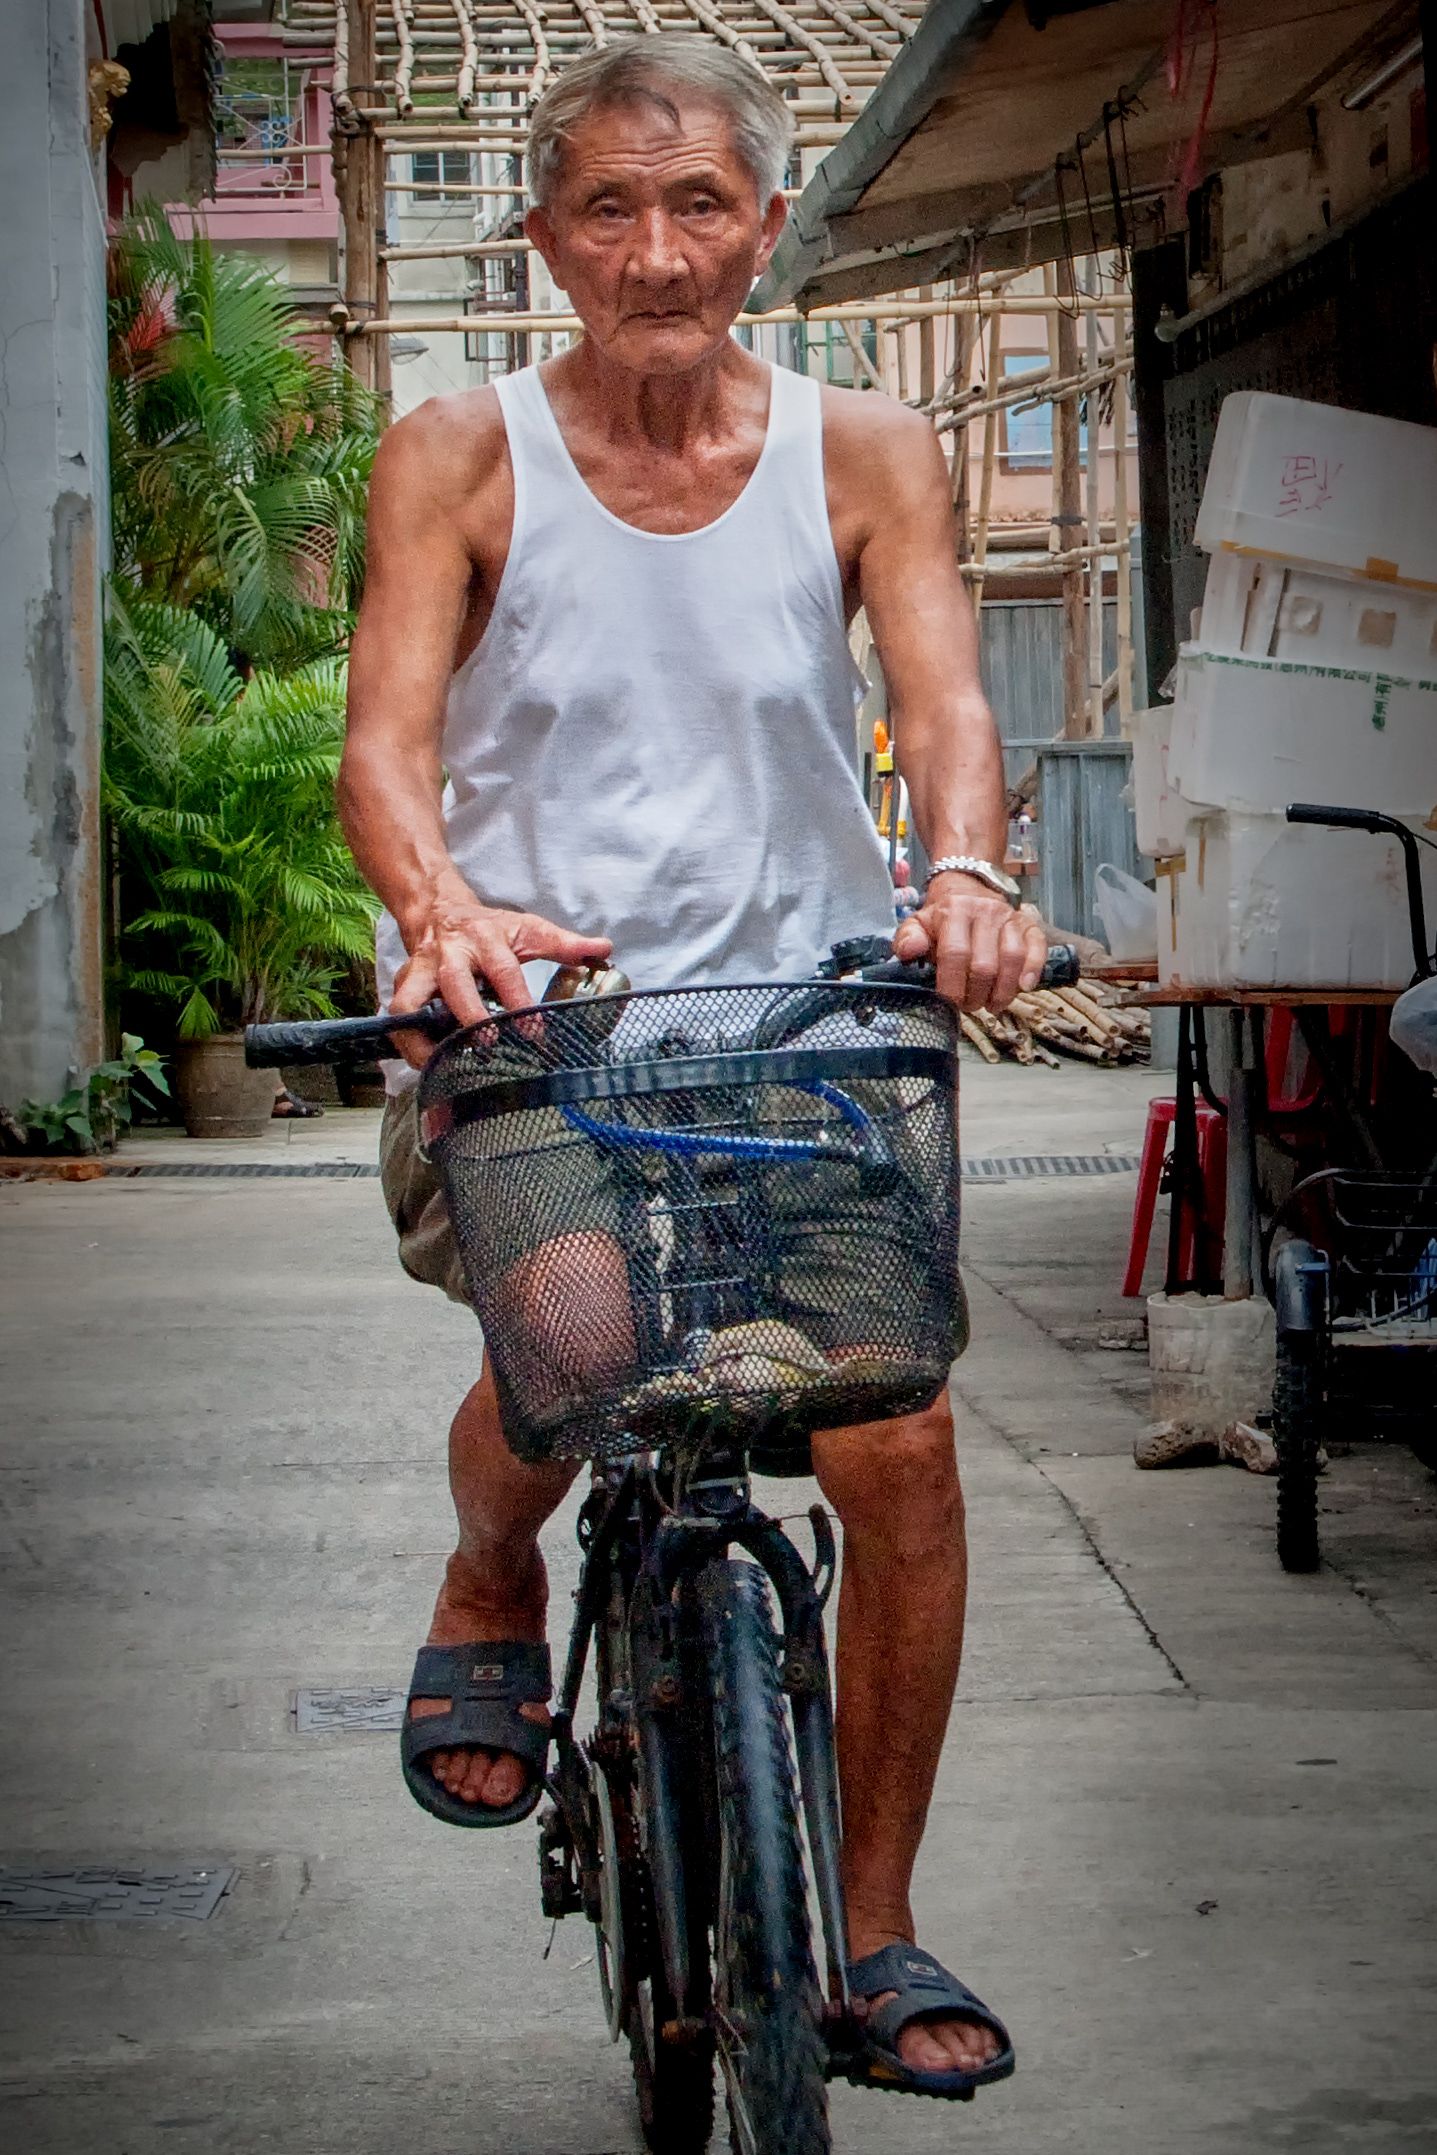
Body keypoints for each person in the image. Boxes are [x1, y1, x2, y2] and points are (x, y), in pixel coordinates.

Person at [338, 34, 1045, 2099]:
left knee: (892, 1443)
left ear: (760, 224)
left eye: (699, 205)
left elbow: (943, 699)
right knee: (580, 1336)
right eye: (608, 210)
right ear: (546, 236)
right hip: (526, 1016)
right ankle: (489, 1559)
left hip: (798, 1022)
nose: (657, 250)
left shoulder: (866, 449)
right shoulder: (457, 453)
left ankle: (874, 1922)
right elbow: (383, 742)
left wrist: (969, 869)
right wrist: (439, 912)